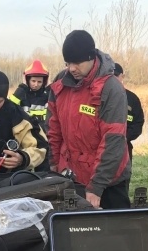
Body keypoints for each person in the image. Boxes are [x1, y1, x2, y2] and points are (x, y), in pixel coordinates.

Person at [47, 30, 131, 209]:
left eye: (77, 63)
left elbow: (113, 139)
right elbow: (53, 128)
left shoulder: (111, 88)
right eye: (68, 63)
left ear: (91, 57)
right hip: (70, 177)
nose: (72, 68)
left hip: (107, 182)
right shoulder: (60, 83)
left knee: (112, 226)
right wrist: (53, 164)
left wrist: (96, 186)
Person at [113, 63, 144, 161]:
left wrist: (123, 138)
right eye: (109, 76)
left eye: (115, 76)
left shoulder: (132, 99)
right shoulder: (98, 97)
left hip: (124, 148)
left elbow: (138, 124)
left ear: (122, 77)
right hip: (100, 148)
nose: (112, 79)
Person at [9, 60, 50, 131]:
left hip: (43, 134)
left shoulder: (47, 95)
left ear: (44, 82)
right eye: (33, 81)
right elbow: (9, 107)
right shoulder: (21, 94)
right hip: (25, 133)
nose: (36, 84)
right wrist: (22, 88)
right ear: (27, 80)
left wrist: (50, 89)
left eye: (39, 82)